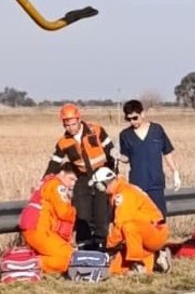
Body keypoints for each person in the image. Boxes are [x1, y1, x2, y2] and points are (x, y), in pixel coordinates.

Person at [43, 103, 117, 249]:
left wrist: (112, 174)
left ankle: (101, 245)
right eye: (66, 125)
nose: (70, 128)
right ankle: (85, 246)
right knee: (82, 214)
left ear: (79, 119)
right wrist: (44, 182)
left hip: (102, 176)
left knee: (102, 214)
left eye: (72, 124)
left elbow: (111, 151)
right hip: (82, 178)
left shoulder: (96, 130)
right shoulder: (63, 142)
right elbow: (54, 163)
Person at [90, 167, 172, 275]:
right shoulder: (120, 190)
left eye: (98, 187)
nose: (99, 191)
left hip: (156, 232)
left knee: (128, 226)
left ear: (104, 184)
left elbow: (120, 226)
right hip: (143, 236)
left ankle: (137, 262)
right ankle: (156, 258)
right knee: (114, 270)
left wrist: (107, 245)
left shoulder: (124, 194)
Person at [116, 99, 182, 216]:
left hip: (156, 183)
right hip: (137, 184)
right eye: (129, 119)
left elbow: (167, 152)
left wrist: (175, 173)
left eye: (135, 118)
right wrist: (118, 156)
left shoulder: (157, 130)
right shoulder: (125, 135)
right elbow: (126, 159)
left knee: (159, 218)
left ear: (142, 114)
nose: (132, 122)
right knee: (139, 219)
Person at [19, 169, 78, 275]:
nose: (72, 184)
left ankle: (24, 263)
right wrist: (74, 211)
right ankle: (22, 264)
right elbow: (63, 212)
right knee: (68, 256)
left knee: (64, 253)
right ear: (61, 174)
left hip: (35, 227)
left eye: (75, 181)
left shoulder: (47, 183)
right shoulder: (56, 186)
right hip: (39, 228)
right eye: (71, 179)